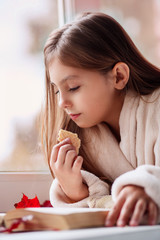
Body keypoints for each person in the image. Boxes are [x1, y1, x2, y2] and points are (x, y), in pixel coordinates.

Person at [41, 12, 160, 227]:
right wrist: (75, 191)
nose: (62, 103)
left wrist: (147, 186)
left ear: (118, 76)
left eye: (73, 87)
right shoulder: (84, 142)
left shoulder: (156, 109)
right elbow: (108, 208)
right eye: (57, 91)